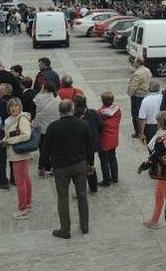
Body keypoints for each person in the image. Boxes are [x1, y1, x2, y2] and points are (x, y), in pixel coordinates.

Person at [43, 100, 94, 239]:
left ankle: (65, 230)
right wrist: (91, 163)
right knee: (82, 195)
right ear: (72, 109)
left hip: (61, 167)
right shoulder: (83, 124)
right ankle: (84, 226)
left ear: (59, 111)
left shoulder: (53, 127)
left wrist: (44, 166)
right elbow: (90, 146)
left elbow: (45, 149)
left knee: (63, 198)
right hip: (79, 164)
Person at [139, 111, 166, 229]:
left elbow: (153, 157)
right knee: (158, 196)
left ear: (161, 123)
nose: (156, 123)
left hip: (164, 172)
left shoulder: (161, 139)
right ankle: (154, 220)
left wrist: (142, 167)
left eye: (157, 121)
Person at [2, 98, 34, 219]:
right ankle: (28, 203)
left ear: (20, 107)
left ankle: (23, 208)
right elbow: (11, 133)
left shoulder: (22, 118)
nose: (13, 108)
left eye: (16, 106)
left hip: (19, 154)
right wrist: (5, 139)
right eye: (11, 106)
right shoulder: (12, 119)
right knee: (25, 179)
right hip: (19, 153)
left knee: (20, 182)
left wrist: (9, 141)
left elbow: (26, 135)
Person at [74, 95, 102, 194]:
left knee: (79, 167)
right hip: (92, 143)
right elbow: (100, 125)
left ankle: (80, 190)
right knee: (90, 165)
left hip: (78, 145)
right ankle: (93, 188)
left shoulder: (74, 115)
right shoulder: (93, 112)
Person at [34, 82, 61, 177]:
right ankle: (54, 167)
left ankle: (44, 167)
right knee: (54, 149)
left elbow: (35, 100)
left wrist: (40, 92)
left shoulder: (40, 98)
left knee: (43, 150)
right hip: (53, 127)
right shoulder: (57, 98)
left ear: (45, 88)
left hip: (42, 128)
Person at [0, 83, 14, 189]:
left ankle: (3, 181)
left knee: (0, 159)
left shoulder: (0, 104)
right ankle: (15, 178)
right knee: (13, 157)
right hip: (14, 132)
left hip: (2, 133)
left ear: (6, 91)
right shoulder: (15, 102)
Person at [97, 92, 121, 187]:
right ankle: (115, 178)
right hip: (114, 137)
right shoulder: (117, 110)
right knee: (112, 158)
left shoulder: (100, 113)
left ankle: (106, 180)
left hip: (104, 139)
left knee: (104, 160)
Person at [128, 58, 152, 138]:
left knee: (136, 114)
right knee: (144, 113)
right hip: (145, 94)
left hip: (137, 96)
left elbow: (134, 86)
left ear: (138, 63)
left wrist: (130, 94)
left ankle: (138, 132)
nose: (133, 63)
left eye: (134, 62)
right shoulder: (147, 70)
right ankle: (145, 130)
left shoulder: (138, 73)